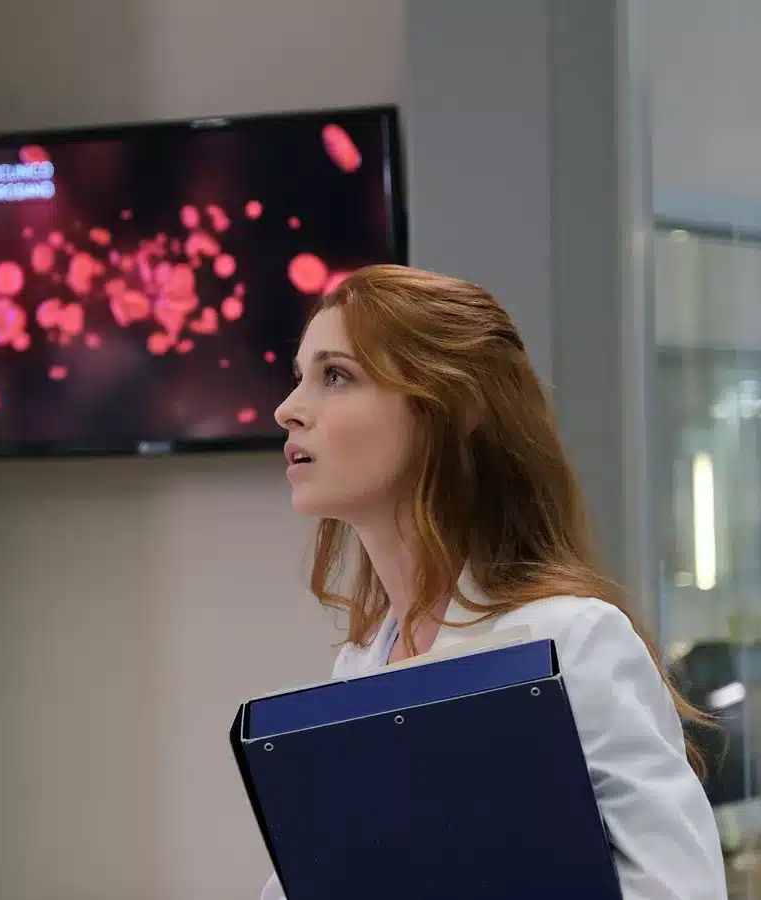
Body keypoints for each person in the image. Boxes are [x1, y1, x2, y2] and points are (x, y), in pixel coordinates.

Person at [263, 264, 727, 899]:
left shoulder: (573, 639)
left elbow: (679, 890)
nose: (288, 410)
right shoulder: (358, 670)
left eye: (335, 376)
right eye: (300, 378)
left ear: (455, 408)